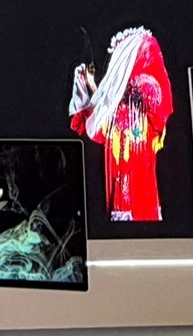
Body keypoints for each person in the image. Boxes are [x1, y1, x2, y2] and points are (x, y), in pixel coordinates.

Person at [67, 27, 174, 222]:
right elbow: (95, 121)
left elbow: (158, 101)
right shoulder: (115, 108)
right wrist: (89, 84)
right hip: (118, 171)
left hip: (139, 168)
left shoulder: (147, 97)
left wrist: (133, 82)